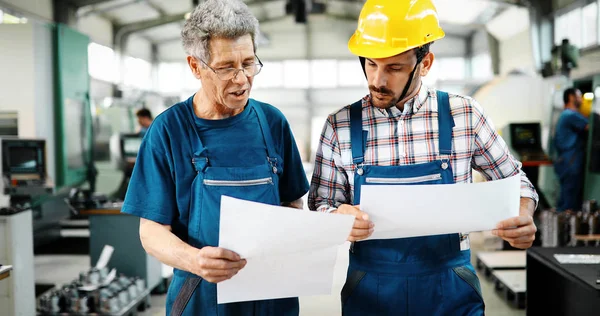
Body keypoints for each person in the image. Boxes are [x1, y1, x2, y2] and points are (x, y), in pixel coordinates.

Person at [308, 0, 539, 315]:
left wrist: (523, 215)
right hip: (371, 291)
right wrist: (338, 220)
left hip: (450, 286)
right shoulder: (340, 126)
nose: (377, 79)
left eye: (394, 68)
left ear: (425, 63)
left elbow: (517, 183)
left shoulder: (464, 115)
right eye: (371, 63)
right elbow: (320, 205)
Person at [121, 0, 309, 315]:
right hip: (202, 297)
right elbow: (151, 231)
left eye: (248, 63)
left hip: (273, 295)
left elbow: (291, 202)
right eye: (226, 67)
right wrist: (195, 260)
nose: (242, 79)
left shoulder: (272, 122)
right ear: (195, 66)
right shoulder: (169, 130)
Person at [554, 88, 589, 212]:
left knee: (566, 197)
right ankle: (566, 228)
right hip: (571, 161)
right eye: (579, 96)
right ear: (571, 97)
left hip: (566, 161)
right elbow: (590, 126)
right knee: (570, 201)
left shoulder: (564, 115)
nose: (581, 99)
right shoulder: (570, 115)